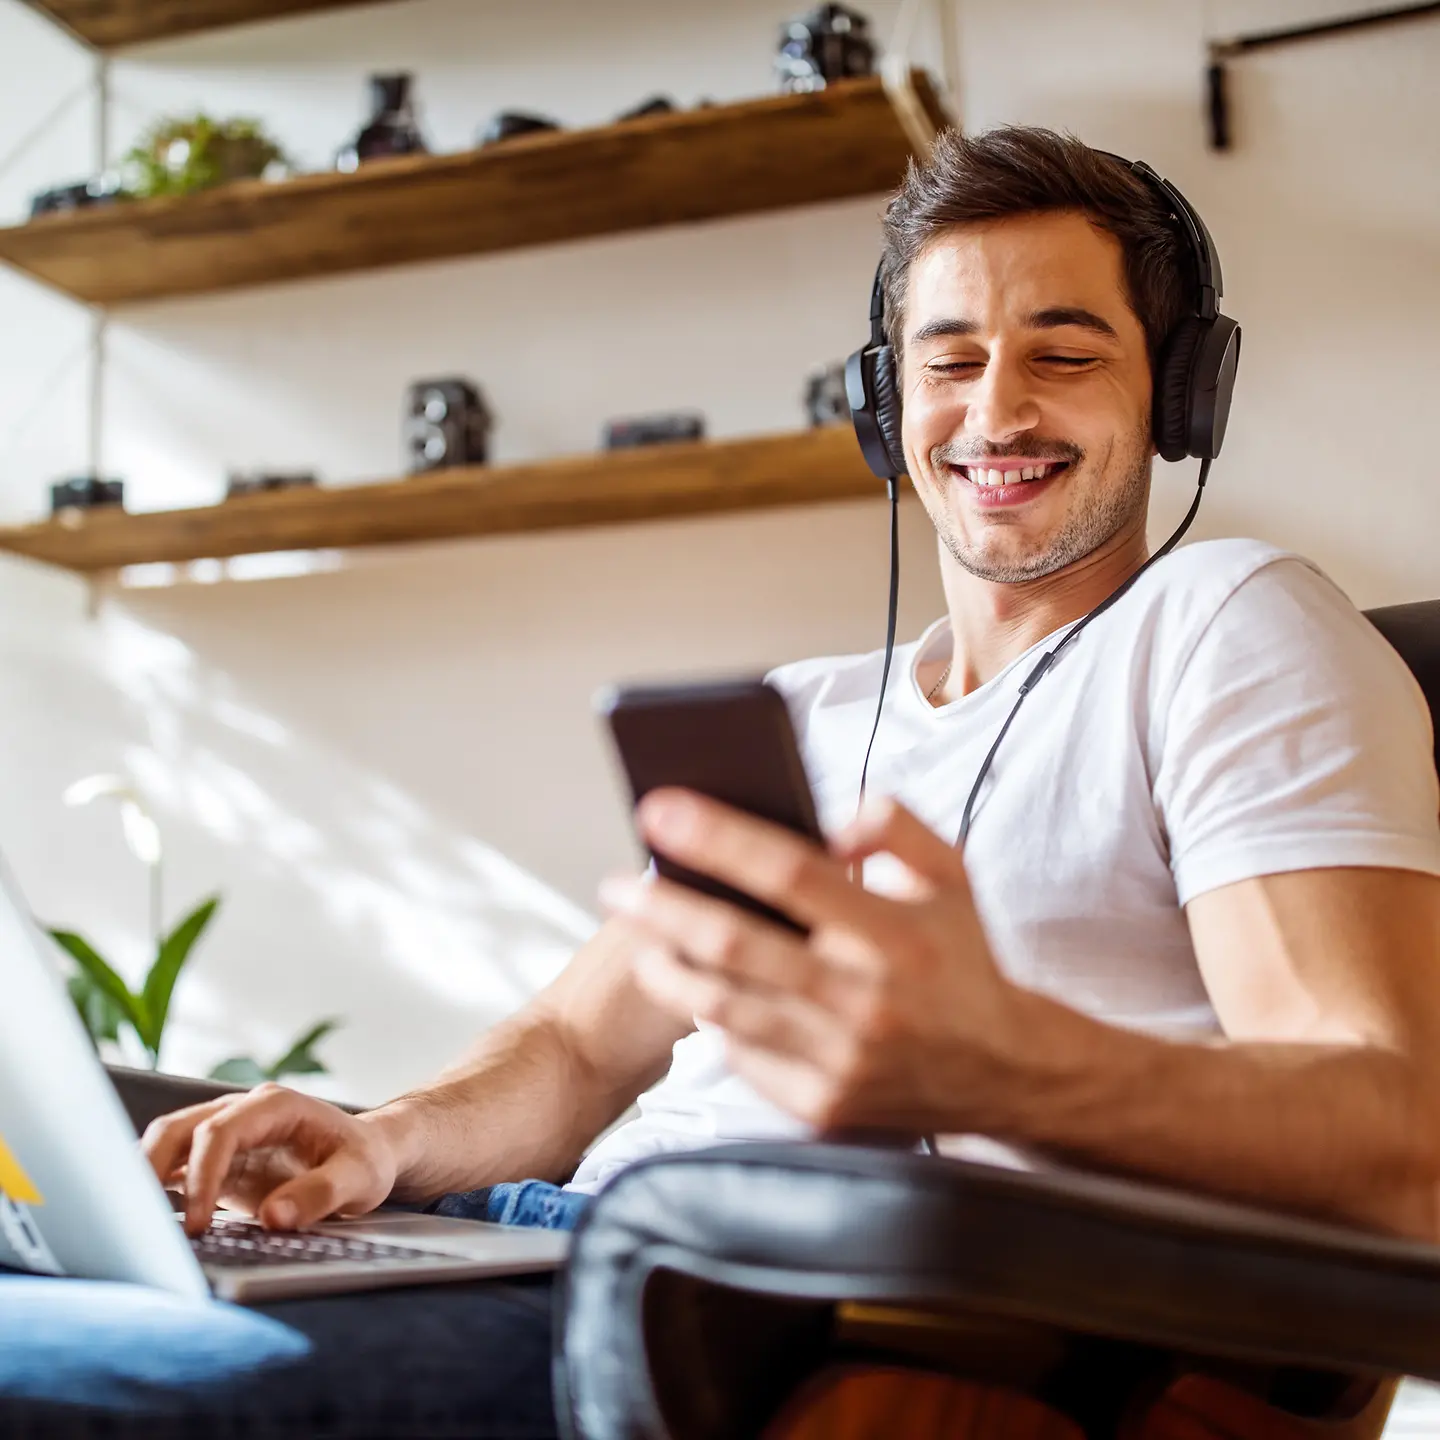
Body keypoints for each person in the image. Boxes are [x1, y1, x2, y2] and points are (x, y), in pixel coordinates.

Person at [4, 125, 1438, 1440]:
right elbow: (573, 1051)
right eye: (947, 359)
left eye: (1063, 352)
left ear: (1182, 389)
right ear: (890, 406)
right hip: (570, 1241)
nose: (995, 410)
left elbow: (1400, 1139)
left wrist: (1001, 1065)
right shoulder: (804, 715)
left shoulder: (1228, 626)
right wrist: (380, 1143)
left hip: (819, 1322)